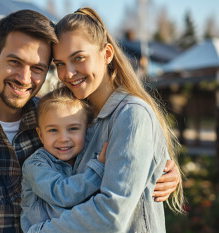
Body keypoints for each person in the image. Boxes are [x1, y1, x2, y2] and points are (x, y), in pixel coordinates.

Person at [0, 8, 180, 233]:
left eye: (39, 68)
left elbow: (129, 149)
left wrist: (164, 167)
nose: (25, 78)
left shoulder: (56, 118)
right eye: (15, 62)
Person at [26, 7, 185, 233]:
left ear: (107, 54)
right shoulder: (75, 117)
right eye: (60, 64)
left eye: (78, 58)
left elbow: (111, 215)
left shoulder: (131, 114)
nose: (68, 73)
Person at [21, 86, 107, 232]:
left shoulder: (87, 157)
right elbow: (61, 193)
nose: (63, 139)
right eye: (53, 130)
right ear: (41, 135)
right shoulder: (35, 165)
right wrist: (98, 170)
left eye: (73, 129)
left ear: (86, 130)